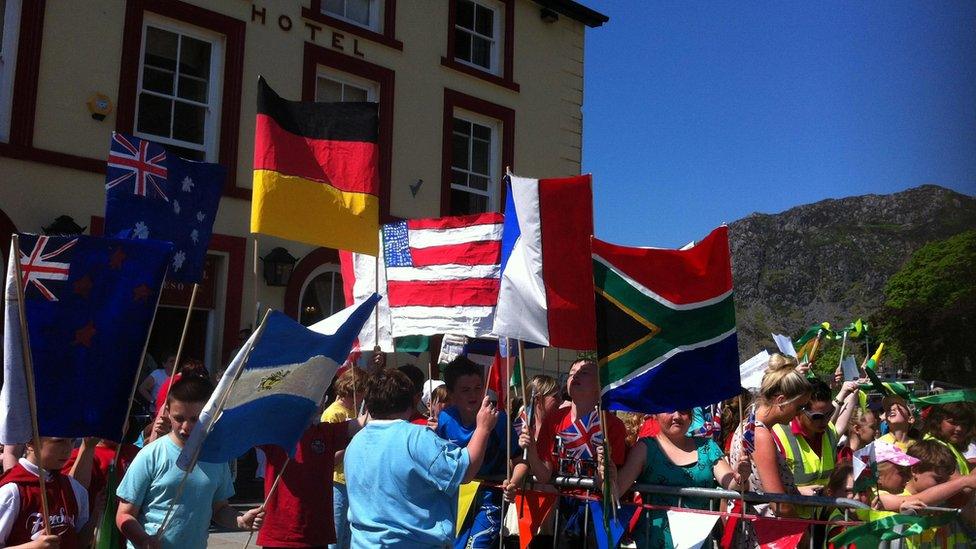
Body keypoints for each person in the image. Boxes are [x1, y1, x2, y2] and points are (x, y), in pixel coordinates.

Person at [344, 369, 499, 547]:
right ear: (413, 401)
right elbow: (464, 470)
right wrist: (483, 428)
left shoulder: (356, 441)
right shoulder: (416, 437)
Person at [115, 377, 264, 548]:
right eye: (179, 418)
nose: (185, 427)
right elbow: (124, 514)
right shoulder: (150, 455)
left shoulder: (216, 458)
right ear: (168, 412)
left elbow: (219, 508)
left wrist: (240, 520)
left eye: (195, 419)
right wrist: (143, 539)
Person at [514, 359, 629, 548]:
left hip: (598, 511)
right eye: (572, 372)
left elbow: (610, 483)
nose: (575, 375)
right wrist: (532, 450)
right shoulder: (554, 420)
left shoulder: (613, 426)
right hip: (564, 509)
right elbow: (544, 475)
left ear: (600, 385)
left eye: (584, 372)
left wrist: (605, 468)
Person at [602, 409, 751, 549]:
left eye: (684, 410)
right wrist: (606, 476)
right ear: (656, 414)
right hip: (653, 540)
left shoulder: (708, 447)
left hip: (698, 543)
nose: (677, 416)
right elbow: (615, 492)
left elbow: (733, 484)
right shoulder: (644, 448)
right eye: (669, 409)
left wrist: (741, 477)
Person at [257, 396, 367, 549]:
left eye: (320, 395)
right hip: (279, 534)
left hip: (315, 534)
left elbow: (362, 422)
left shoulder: (325, 432)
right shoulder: (276, 432)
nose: (316, 400)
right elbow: (251, 426)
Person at [727, 353, 811, 548]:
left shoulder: (749, 424)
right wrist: (802, 534)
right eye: (799, 407)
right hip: (766, 535)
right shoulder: (760, 434)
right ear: (781, 400)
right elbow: (778, 503)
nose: (800, 414)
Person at [435, 357, 518, 549]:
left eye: (478, 388)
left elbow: (520, 459)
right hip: (456, 499)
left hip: (490, 498)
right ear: (452, 394)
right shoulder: (446, 418)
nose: (474, 395)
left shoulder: (499, 419)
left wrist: (514, 482)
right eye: (465, 390)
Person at [0, 437, 91, 548]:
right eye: (59, 441)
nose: (67, 449)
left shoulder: (74, 488)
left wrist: (98, 511)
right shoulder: (12, 492)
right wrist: (34, 547)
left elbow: (82, 540)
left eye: (72, 441)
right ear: (31, 443)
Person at [772, 379, 858, 494]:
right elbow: (766, 484)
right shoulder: (778, 434)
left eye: (829, 414)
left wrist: (854, 390)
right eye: (817, 417)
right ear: (799, 410)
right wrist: (797, 491)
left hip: (823, 510)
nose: (825, 421)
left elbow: (843, 418)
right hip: (791, 510)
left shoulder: (829, 432)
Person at [320, 368, 366, 549]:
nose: (362, 398)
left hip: (351, 480)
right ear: (351, 390)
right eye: (361, 393)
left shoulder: (354, 410)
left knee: (349, 534)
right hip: (337, 481)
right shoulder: (333, 413)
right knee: (336, 534)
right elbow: (328, 457)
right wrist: (351, 443)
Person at [923, 402, 974, 475]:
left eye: (964, 424)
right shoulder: (933, 447)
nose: (959, 429)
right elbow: (959, 482)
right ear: (938, 421)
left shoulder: (948, 445)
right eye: (953, 422)